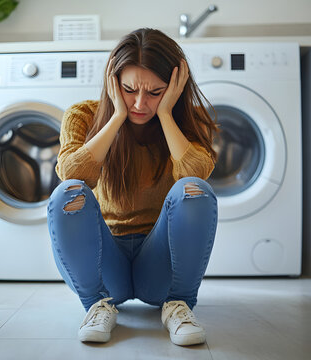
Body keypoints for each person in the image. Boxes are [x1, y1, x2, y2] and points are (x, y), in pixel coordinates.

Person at [47, 28, 218, 346]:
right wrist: (116, 116)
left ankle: (177, 303)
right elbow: (72, 174)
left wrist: (166, 114)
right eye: (129, 90)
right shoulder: (82, 115)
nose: (141, 103)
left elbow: (197, 174)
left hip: (160, 264)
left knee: (194, 189)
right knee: (67, 194)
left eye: (155, 93)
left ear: (174, 88)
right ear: (113, 83)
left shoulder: (189, 121)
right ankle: (99, 304)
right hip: (106, 261)